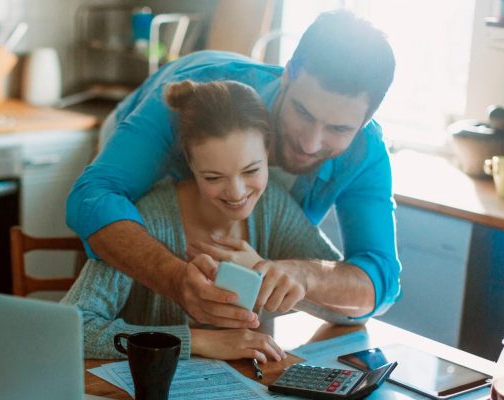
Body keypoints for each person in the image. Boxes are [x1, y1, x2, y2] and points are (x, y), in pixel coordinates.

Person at [66, 10, 400, 330]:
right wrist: (173, 278)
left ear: (366, 120)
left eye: (339, 129)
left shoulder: (366, 153)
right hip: (137, 142)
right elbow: (93, 198)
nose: (310, 144)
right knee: (115, 281)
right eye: (303, 112)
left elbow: (380, 281)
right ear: (288, 73)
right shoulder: (196, 100)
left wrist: (305, 274)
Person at [62, 80, 355, 361]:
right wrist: (199, 341)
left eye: (251, 170)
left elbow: (349, 310)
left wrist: (284, 278)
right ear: (190, 164)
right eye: (214, 177)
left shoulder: (272, 206)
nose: (237, 193)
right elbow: (72, 328)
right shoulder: (146, 218)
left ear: (268, 150)